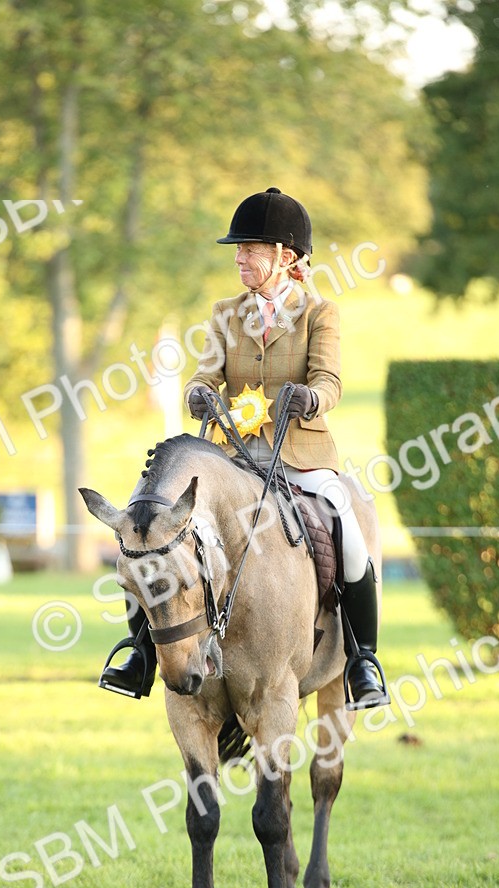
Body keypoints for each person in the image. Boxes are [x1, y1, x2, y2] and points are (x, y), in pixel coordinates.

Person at [99, 186, 389, 709]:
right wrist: (198, 393)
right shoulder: (225, 313)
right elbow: (205, 374)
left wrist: (311, 398)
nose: (239, 259)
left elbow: (329, 380)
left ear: (286, 255)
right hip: (231, 460)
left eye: (250, 250)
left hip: (299, 457)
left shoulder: (319, 313)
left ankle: (362, 658)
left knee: (347, 526)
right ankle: (140, 653)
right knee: (151, 529)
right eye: (238, 250)